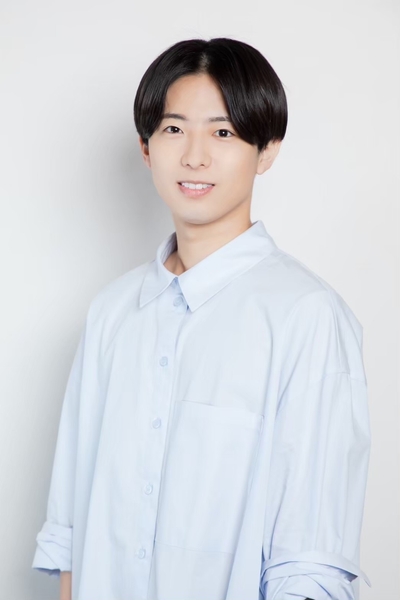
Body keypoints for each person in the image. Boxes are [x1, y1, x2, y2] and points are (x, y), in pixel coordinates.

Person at [31, 37, 371, 600]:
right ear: (146, 148)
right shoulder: (112, 313)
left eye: (223, 132)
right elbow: (72, 531)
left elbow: (311, 562)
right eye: (174, 129)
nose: (194, 156)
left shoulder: (306, 317)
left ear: (267, 150)